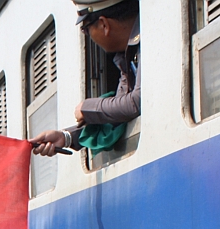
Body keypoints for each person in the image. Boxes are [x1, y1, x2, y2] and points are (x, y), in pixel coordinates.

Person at [29, 0, 140, 156]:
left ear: (104, 24)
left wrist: (86, 109)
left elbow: (138, 101)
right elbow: (120, 113)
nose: (87, 35)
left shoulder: (147, 41)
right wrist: (66, 137)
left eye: (86, 29)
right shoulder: (125, 57)